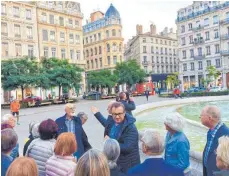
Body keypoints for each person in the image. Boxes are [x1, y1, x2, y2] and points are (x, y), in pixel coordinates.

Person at [91, 102, 140, 173]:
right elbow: (105, 123)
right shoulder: (112, 122)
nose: (117, 117)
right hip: (116, 163)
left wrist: (110, 142)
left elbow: (128, 147)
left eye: (119, 114)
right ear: (111, 113)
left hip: (127, 166)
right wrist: (97, 114)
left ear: (124, 113)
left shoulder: (130, 127)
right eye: (115, 114)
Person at [200, 106, 229, 176]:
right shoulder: (211, 131)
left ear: (209, 118)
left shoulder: (226, 134)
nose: (200, 117)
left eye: (201, 116)